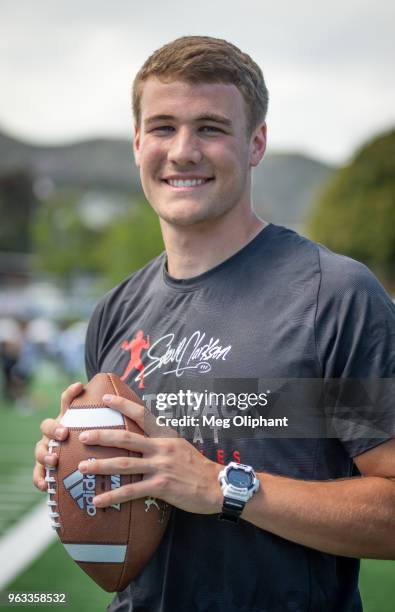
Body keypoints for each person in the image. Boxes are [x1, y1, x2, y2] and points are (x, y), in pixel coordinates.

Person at [33, 36, 395, 611]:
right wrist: (76, 468)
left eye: (209, 128)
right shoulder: (115, 311)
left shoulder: (335, 295)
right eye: (162, 127)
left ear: (256, 144)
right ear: (136, 143)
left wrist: (220, 487)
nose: (182, 151)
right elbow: (130, 493)